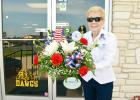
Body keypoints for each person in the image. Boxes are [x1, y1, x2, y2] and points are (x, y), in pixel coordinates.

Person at [81, 6, 117, 100]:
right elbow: (80, 56)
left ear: (103, 21)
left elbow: (109, 60)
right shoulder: (84, 37)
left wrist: (93, 66)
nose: (93, 22)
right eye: (90, 19)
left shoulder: (110, 37)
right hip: (87, 79)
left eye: (97, 19)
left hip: (104, 80)